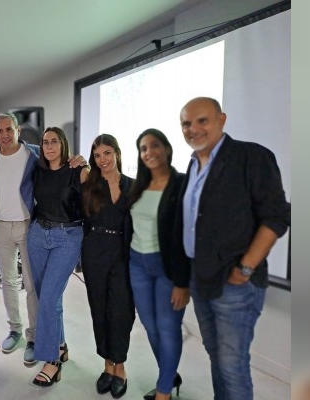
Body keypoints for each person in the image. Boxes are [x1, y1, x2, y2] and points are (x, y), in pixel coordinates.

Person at [177, 97, 290, 399]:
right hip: (201, 277)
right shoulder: (193, 164)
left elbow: (276, 216)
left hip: (235, 282)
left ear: (221, 120)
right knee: (216, 355)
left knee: (232, 365)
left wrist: (245, 268)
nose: (193, 129)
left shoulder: (251, 157)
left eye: (202, 121)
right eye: (186, 123)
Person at [0, 112, 85, 365]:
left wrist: (80, 160)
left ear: (18, 130)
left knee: (32, 285)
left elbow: (61, 160)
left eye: (9, 129)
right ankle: (14, 329)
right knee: (8, 281)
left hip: (29, 225)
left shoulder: (34, 154)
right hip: (0, 225)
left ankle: (34, 337)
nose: (4, 135)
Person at [128, 129, 190, 400]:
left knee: (167, 326)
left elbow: (188, 234)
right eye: (143, 148)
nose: (149, 152)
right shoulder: (138, 186)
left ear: (167, 148)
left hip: (168, 268)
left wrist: (183, 282)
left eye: (154, 145)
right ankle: (170, 374)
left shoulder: (183, 184)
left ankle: (164, 390)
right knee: (150, 326)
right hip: (137, 264)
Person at [27, 127, 89, 386]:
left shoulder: (78, 170)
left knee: (50, 298)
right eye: (45, 142)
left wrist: (86, 162)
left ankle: (51, 360)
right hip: (38, 234)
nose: (50, 146)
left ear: (63, 144)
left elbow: (97, 198)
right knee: (47, 297)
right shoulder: (38, 170)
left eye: (54, 141)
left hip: (68, 236)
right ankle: (60, 345)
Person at [80, 134, 136, 399]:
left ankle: (120, 365)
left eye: (107, 153)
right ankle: (107, 365)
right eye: (97, 155)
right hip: (95, 252)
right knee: (100, 309)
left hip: (123, 254)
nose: (102, 159)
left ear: (117, 153)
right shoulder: (89, 185)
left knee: (122, 311)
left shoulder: (132, 186)